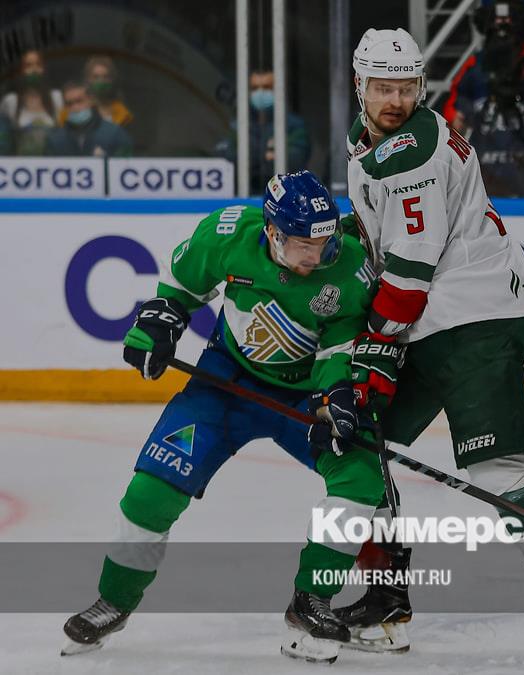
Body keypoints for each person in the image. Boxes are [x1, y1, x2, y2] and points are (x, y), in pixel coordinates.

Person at [339, 27, 524, 663]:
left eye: (406, 88)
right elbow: (386, 240)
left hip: (476, 318)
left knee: (499, 473)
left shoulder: (412, 152)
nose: (395, 100)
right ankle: (385, 601)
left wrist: (373, 345)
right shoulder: (371, 144)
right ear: (359, 85)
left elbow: (409, 270)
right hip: (437, 318)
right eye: (382, 88)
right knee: (362, 446)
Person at [60, 171, 383, 665]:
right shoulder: (228, 232)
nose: (317, 257)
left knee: (361, 479)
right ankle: (114, 600)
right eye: (303, 245)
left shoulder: (351, 268)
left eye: (325, 243)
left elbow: (337, 350)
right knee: (150, 491)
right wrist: (161, 319)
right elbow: (180, 284)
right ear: (272, 232)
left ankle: (311, 602)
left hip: (302, 399)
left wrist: (335, 398)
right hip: (225, 384)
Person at [442, 0, 524, 196]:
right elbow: (452, 109)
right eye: (497, 24)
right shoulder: (474, 66)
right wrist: (456, 120)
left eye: (509, 24)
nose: (503, 31)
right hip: (485, 173)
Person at [216, 69, 312, 190]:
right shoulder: (239, 125)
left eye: (267, 87)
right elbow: (228, 160)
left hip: (287, 194)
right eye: (255, 88)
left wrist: (250, 156)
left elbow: (294, 161)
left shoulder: (294, 125)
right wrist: (268, 154)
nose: (260, 92)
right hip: (246, 194)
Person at [44, 81, 132, 157]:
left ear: (91, 100)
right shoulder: (56, 139)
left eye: (79, 101)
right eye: (69, 104)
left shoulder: (115, 134)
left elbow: (125, 165)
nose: (75, 107)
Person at [1, 49, 62, 155]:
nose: (34, 69)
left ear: (43, 69)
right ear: (22, 71)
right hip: (22, 162)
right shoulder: (11, 101)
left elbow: (64, 130)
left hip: (52, 161)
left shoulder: (56, 97)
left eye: (38, 65)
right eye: (28, 65)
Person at [58, 55, 133, 128]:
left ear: (112, 80)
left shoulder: (122, 113)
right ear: (87, 79)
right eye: (95, 77)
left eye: (105, 77)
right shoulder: (70, 111)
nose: (101, 82)